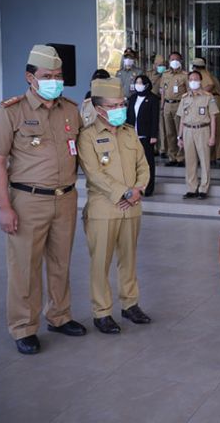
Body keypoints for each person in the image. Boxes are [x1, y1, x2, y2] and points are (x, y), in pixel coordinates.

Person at [0, 45, 87, 355]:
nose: (54, 81)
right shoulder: (10, 112)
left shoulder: (70, 109)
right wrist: (4, 206)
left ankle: (59, 315)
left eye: (58, 76)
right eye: (47, 76)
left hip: (65, 197)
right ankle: (24, 327)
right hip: (28, 200)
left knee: (60, 262)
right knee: (25, 267)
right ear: (30, 78)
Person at [78, 78, 152, 334]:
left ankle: (130, 304)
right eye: (114, 105)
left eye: (122, 104)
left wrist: (138, 189)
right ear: (99, 109)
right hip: (103, 209)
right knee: (101, 263)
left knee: (129, 259)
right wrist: (124, 192)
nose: (121, 108)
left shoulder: (129, 132)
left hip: (132, 207)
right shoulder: (87, 136)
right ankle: (102, 312)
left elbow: (143, 165)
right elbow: (94, 174)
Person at [177, 70, 219, 199]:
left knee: (204, 160)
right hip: (188, 130)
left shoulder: (208, 97)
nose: (193, 82)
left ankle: (203, 188)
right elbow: (182, 119)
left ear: (200, 81)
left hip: (203, 130)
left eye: (196, 79)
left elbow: (213, 118)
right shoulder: (185, 98)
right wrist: (180, 136)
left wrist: (212, 136)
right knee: (190, 161)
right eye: (191, 79)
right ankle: (191, 188)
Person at [192, 57, 220, 167]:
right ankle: (213, 156)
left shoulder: (203, 74)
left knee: (216, 129)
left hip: (213, 100)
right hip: (211, 100)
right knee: (212, 129)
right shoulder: (207, 73)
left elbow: (210, 85)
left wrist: (199, 93)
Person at [127, 74, 159, 196]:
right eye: (137, 82)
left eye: (140, 82)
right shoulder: (133, 98)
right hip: (132, 135)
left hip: (146, 136)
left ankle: (149, 187)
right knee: (133, 162)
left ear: (146, 84)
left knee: (148, 162)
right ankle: (136, 186)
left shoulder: (152, 98)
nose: (138, 85)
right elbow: (129, 116)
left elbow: (154, 119)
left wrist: (153, 135)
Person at [161, 51, 187, 167]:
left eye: (177, 59)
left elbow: (188, 93)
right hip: (167, 105)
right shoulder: (165, 74)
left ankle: (181, 157)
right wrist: (162, 105)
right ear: (169, 61)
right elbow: (163, 91)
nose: (174, 61)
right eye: (172, 59)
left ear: (181, 61)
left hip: (179, 105)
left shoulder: (185, 75)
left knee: (179, 132)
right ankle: (172, 156)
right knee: (169, 132)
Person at [146, 54, 167, 157]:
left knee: (162, 126)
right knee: (151, 124)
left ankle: (162, 149)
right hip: (150, 102)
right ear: (154, 65)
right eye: (158, 64)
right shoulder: (149, 74)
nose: (161, 66)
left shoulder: (167, 74)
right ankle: (153, 147)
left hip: (161, 102)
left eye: (162, 64)